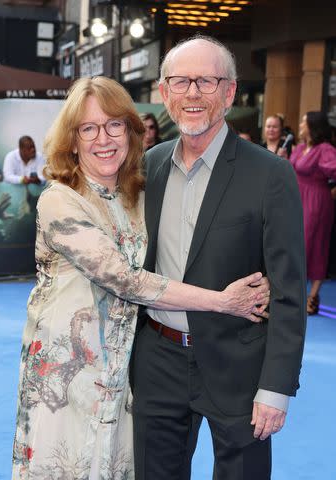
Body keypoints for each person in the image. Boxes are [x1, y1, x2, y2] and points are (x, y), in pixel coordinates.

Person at [11, 76, 270, 480]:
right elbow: (127, 280)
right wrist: (223, 300)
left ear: (133, 133)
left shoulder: (138, 194)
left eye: (115, 125)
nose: (104, 138)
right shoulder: (60, 199)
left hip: (122, 371)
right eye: (89, 128)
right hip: (68, 374)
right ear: (73, 139)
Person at [132, 35, 306, 480]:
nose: (192, 93)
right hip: (158, 360)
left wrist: (276, 387)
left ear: (229, 93)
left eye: (206, 81)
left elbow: (288, 290)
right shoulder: (147, 167)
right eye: (180, 81)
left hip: (240, 367)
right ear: (163, 92)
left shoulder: (271, 174)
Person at [290, 111, 336, 314]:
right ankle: (294, 294)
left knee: (313, 245)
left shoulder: (324, 149)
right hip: (296, 199)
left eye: (303, 121)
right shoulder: (300, 147)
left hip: (316, 201)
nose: (300, 124)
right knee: (293, 244)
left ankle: (312, 296)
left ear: (312, 126)